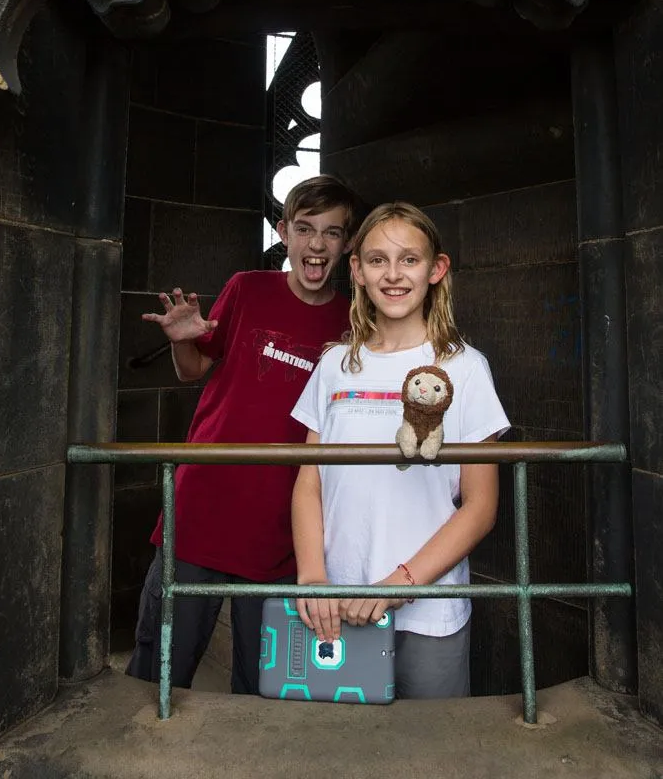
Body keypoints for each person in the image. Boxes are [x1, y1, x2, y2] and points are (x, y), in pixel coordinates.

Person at [126, 175, 362, 694]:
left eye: (331, 233)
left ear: (347, 244)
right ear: (284, 232)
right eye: (305, 229)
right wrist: (180, 341)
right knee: (159, 668)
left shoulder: (355, 322)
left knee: (265, 685)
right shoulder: (247, 288)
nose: (317, 244)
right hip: (203, 508)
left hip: (285, 529)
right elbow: (192, 370)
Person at [290, 202, 509, 699]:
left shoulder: (466, 369)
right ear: (357, 271)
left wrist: (399, 584)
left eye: (409, 260)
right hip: (336, 606)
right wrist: (313, 577)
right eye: (377, 260)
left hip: (428, 609)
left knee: (430, 752)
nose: (393, 275)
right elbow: (309, 482)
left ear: (436, 269)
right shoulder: (334, 366)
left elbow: (480, 506)